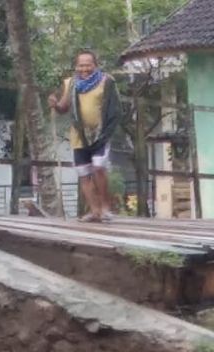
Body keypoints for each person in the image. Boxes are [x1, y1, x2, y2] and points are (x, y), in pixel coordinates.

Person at [48, 49, 121, 222]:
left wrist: (107, 131)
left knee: (98, 168)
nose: (84, 68)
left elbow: (116, 109)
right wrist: (55, 105)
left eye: (88, 65)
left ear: (95, 65)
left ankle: (105, 208)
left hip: (100, 134)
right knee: (83, 173)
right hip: (79, 135)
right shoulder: (71, 83)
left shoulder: (107, 81)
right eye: (81, 65)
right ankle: (94, 211)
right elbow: (64, 107)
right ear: (76, 66)